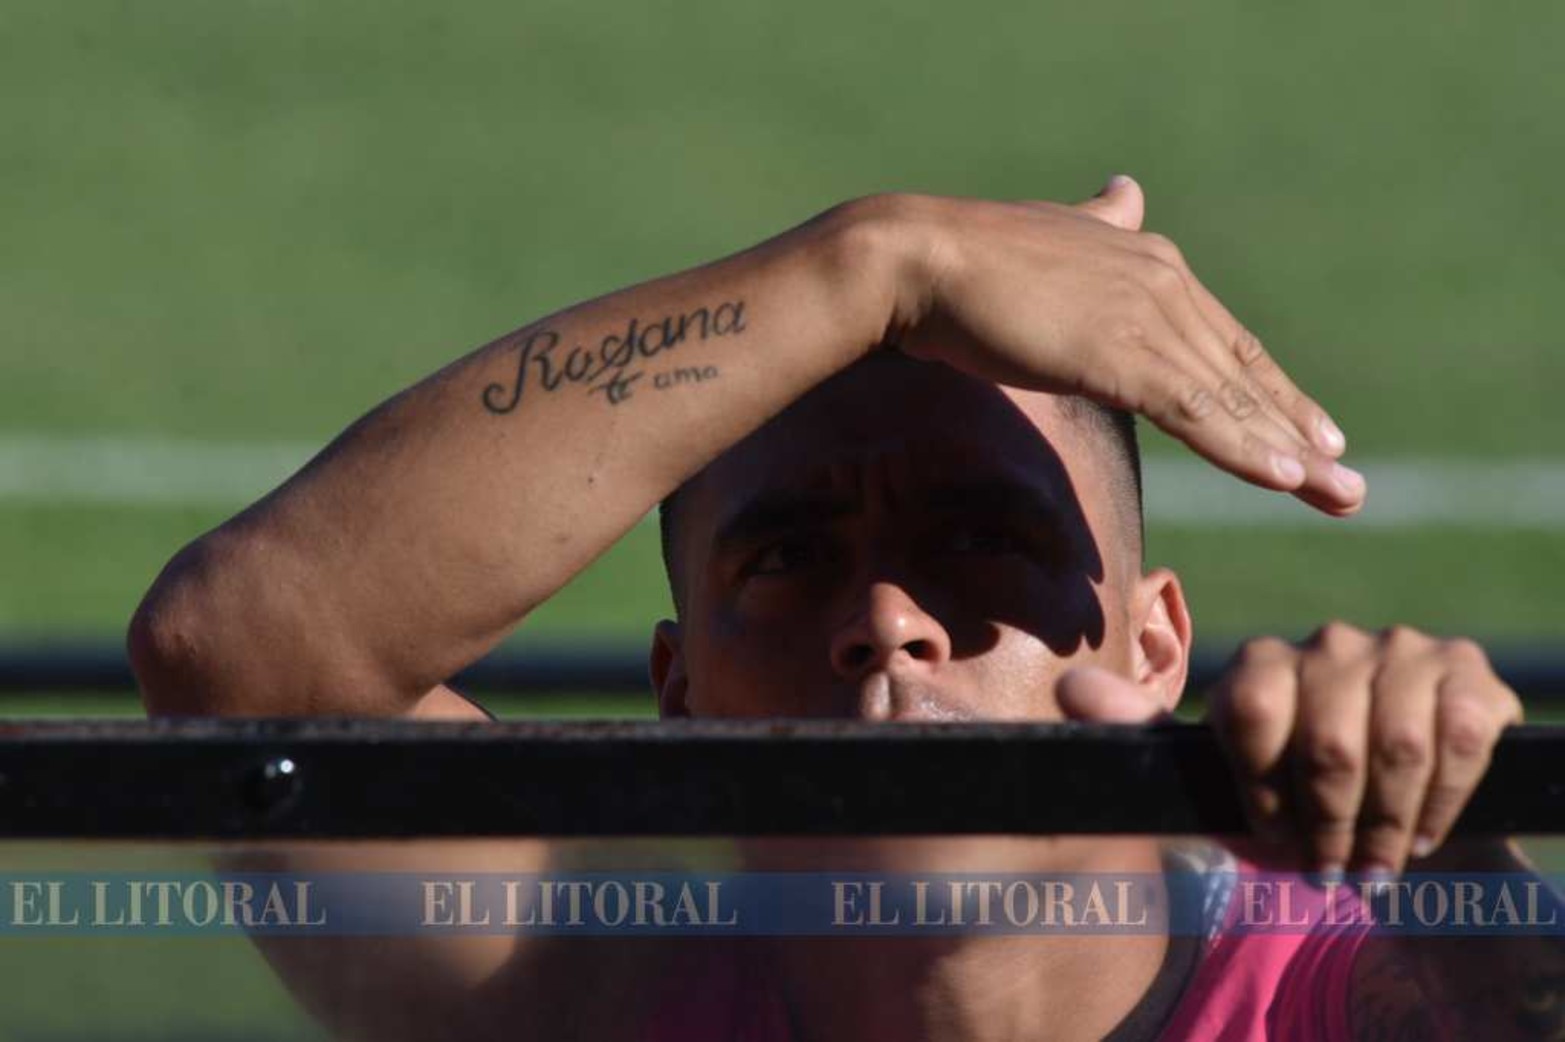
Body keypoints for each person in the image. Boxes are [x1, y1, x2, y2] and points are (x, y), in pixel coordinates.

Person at [128, 177, 1559, 1040]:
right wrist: (876, 261)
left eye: (984, 540)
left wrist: (1462, 846)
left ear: (1154, 640)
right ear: (678, 694)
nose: (887, 621)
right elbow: (242, 650)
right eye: (785, 558)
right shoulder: (589, 995)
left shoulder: (1357, 985)